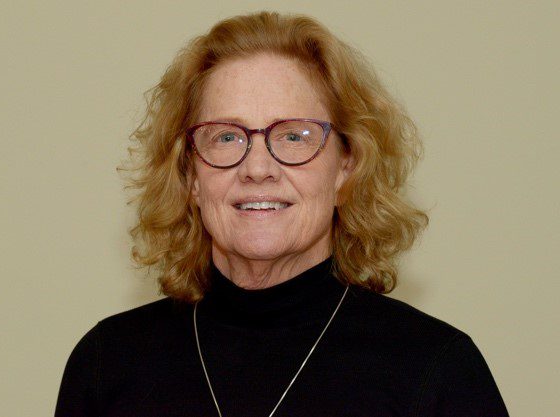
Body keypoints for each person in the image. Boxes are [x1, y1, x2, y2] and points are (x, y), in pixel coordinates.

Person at [55, 11, 509, 417]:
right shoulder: (106, 364)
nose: (257, 168)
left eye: (294, 136)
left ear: (347, 166)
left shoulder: (436, 370)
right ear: (190, 174)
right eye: (225, 137)